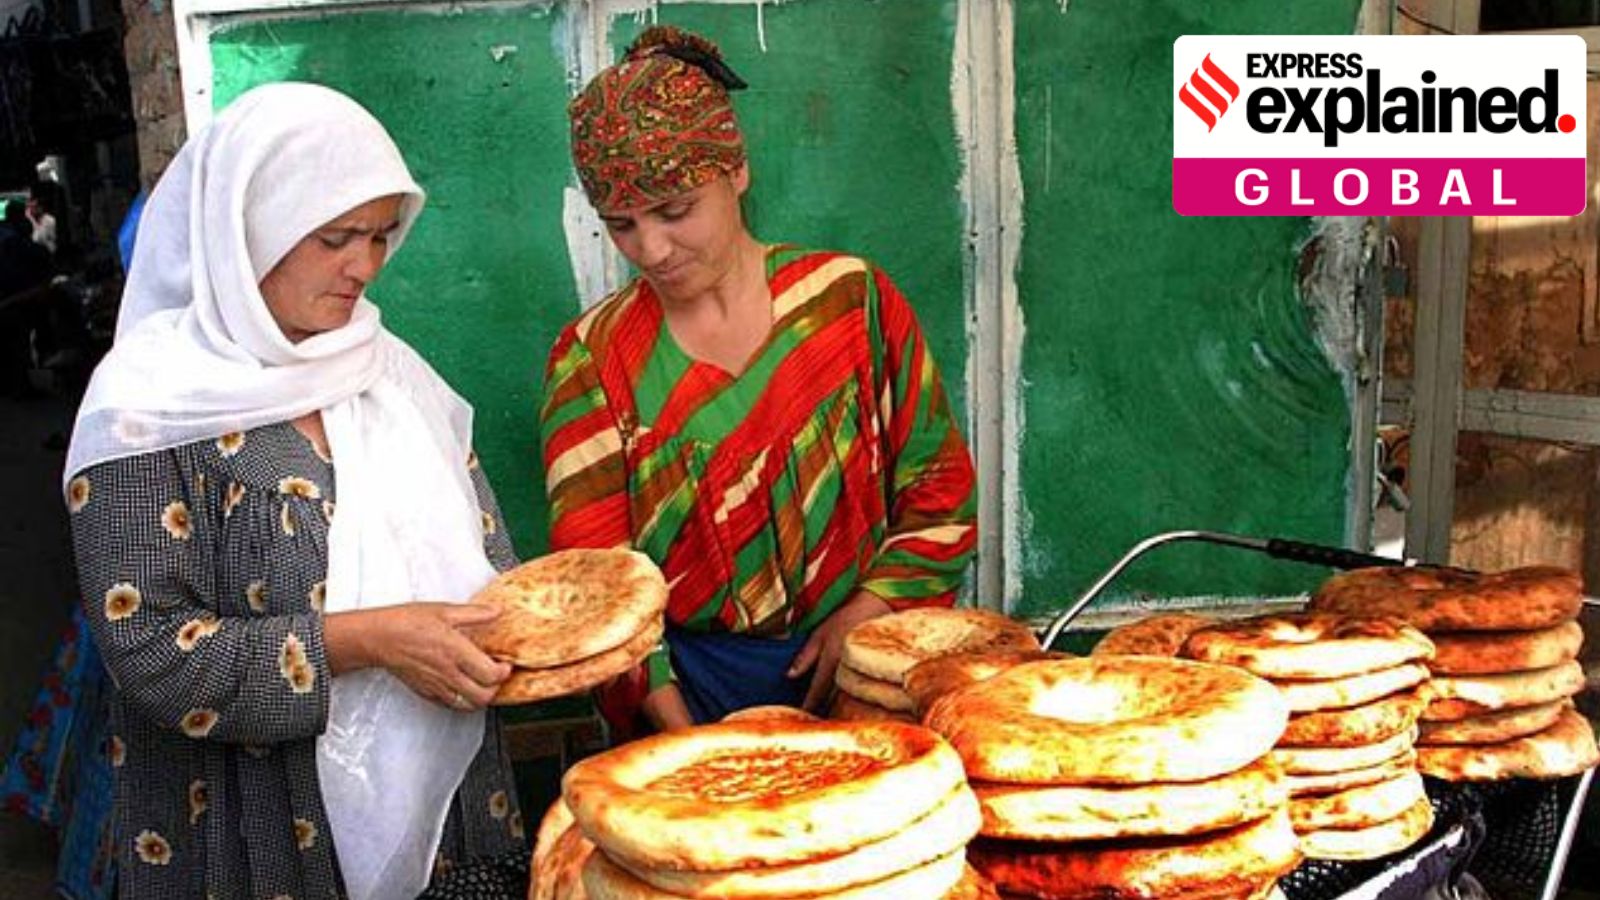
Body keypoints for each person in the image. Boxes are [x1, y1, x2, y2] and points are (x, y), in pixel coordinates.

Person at [63, 82, 524, 899]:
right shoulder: (148, 408)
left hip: (442, 796)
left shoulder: (389, 372)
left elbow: (489, 553)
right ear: (247, 230)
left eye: (383, 236)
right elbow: (151, 655)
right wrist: (373, 639)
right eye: (337, 237)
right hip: (258, 826)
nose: (367, 266)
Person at [541, 26, 978, 737]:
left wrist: (870, 613)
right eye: (620, 224)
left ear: (736, 169)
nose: (651, 248)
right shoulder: (593, 361)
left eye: (676, 210)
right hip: (685, 694)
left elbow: (939, 491)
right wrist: (681, 738)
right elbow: (601, 587)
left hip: (871, 675)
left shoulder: (848, 305)